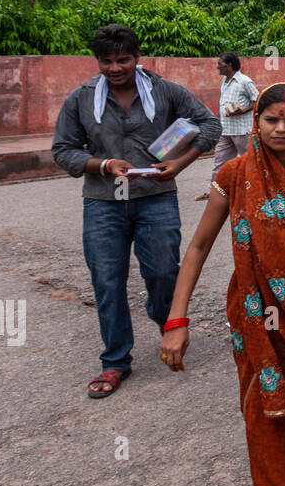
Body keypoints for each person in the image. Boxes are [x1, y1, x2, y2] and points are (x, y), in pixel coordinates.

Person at [158, 83, 285, 486]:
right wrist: (176, 319)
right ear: (256, 122)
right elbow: (198, 246)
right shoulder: (234, 175)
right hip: (259, 314)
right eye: (271, 119)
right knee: (267, 415)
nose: (281, 128)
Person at [51, 24, 220, 399]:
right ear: (97, 62)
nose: (115, 68)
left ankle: (166, 319)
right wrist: (103, 163)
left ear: (136, 57)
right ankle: (115, 361)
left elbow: (210, 124)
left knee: (163, 272)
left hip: (155, 197)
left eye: (123, 59)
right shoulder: (81, 99)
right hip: (103, 202)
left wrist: (181, 162)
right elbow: (63, 150)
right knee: (107, 282)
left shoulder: (164, 91)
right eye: (107, 61)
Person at [197, 52, 259, 202]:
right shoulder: (225, 81)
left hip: (242, 130)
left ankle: (256, 192)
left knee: (250, 162)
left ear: (229, 65)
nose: (217, 66)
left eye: (220, 63)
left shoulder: (244, 81)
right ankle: (214, 193)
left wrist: (242, 111)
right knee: (219, 162)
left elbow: (258, 100)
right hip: (225, 130)